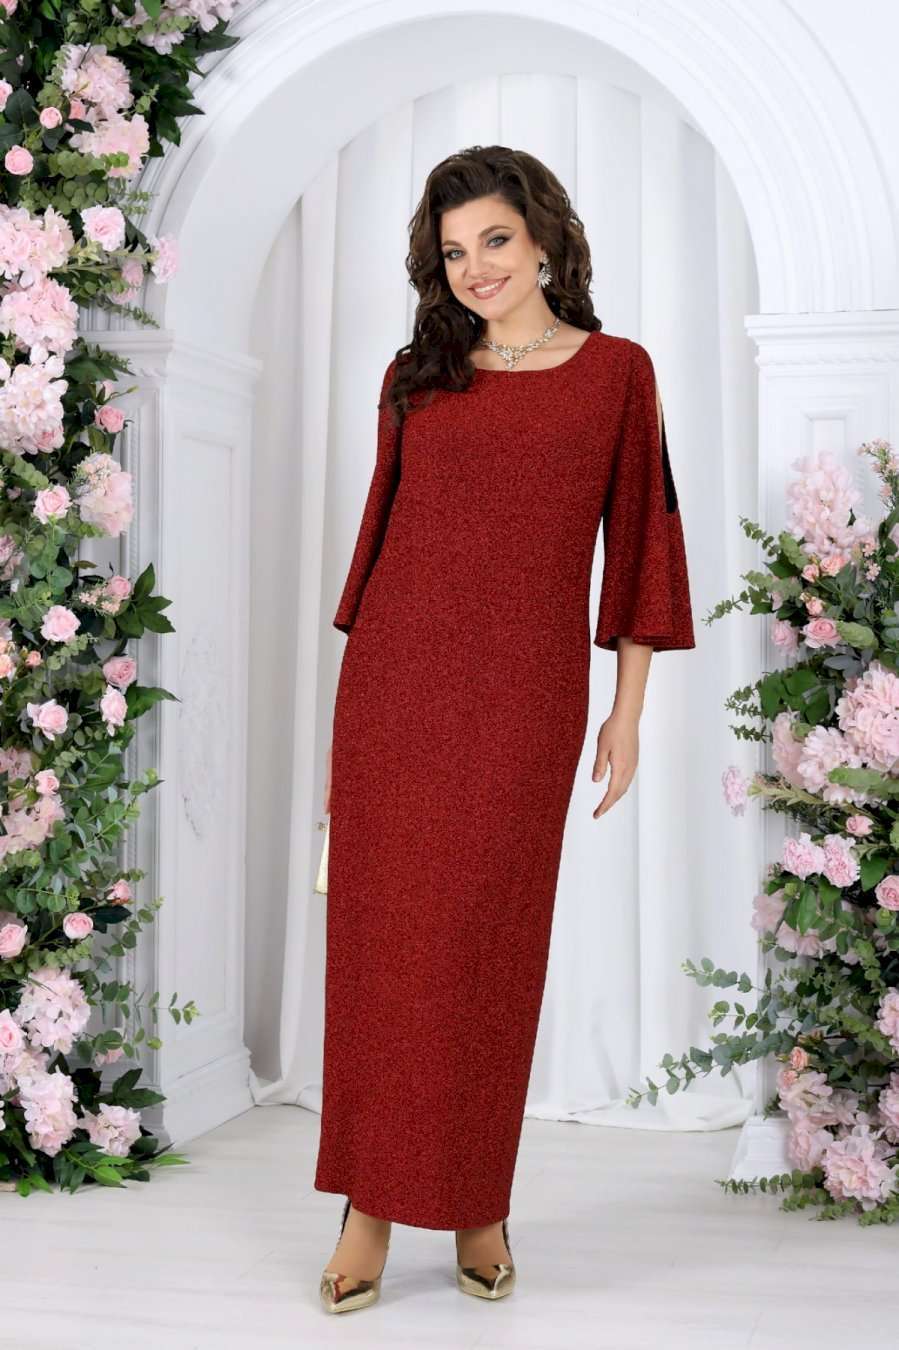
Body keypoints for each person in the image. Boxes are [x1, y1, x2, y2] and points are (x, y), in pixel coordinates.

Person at [315, 144, 696, 1313]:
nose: (474, 267)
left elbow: (640, 539)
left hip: (524, 700)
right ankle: (367, 1211)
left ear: (541, 241)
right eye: (451, 251)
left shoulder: (615, 374)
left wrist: (626, 712)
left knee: (484, 951)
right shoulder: (414, 375)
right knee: (384, 955)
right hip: (395, 692)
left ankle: (477, 1203)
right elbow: (380, 546)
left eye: (492, 239)